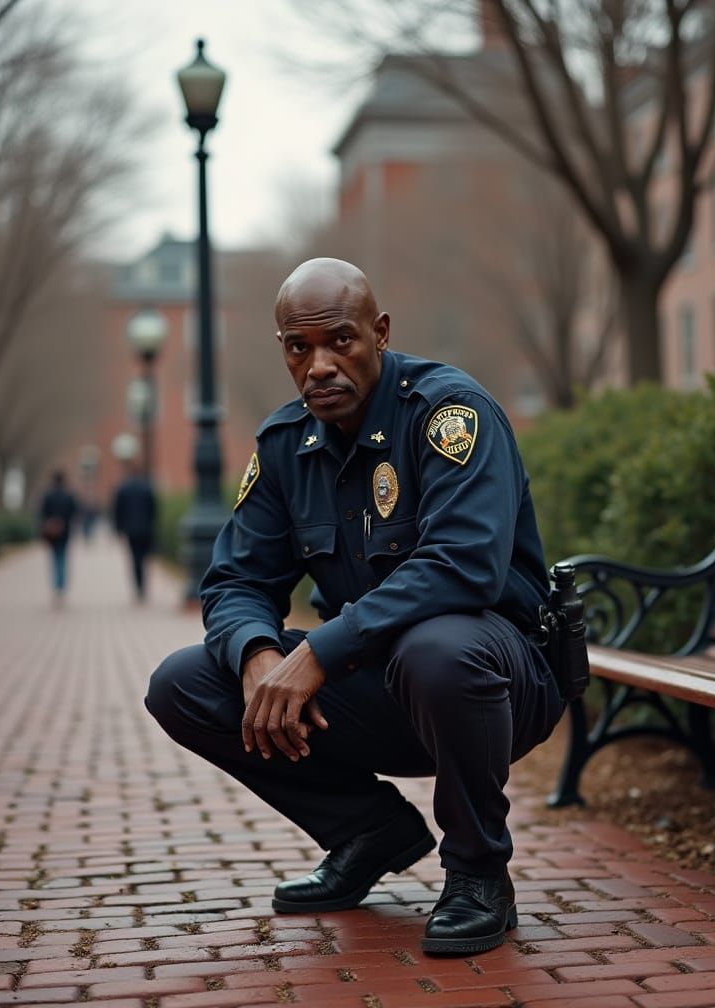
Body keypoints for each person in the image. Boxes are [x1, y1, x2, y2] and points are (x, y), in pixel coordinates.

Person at [146, 258, 564, 956]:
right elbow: (233, 581)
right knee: (183, 683)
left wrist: (317, 652)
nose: (318, 366)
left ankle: (478, 872)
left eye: (339, 340)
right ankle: (367, 831)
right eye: (297, 347)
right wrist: (258, 658)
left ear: (380, 332)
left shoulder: (449, 415)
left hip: (496, 682)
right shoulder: (286, 447)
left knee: (438, 646)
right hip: (381, 685)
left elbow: (463, 564)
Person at [112, 462, 157, 602]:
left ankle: (138, 585)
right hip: (146, 529)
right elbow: (153, 508)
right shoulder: (147, 488)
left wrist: (118, 528)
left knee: (134, 558)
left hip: (130, 529)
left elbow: (117, 510)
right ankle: (142, 585)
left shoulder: (123, 489)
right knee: (144, 558)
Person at [38, 469, 79, 607]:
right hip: (65, 531)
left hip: (51, 532)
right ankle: (61, 586)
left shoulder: (48, 495)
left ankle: (56, 585)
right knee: (62, 558)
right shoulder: (69, 495)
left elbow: (42, 513)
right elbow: (74, 512)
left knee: (55, 558)